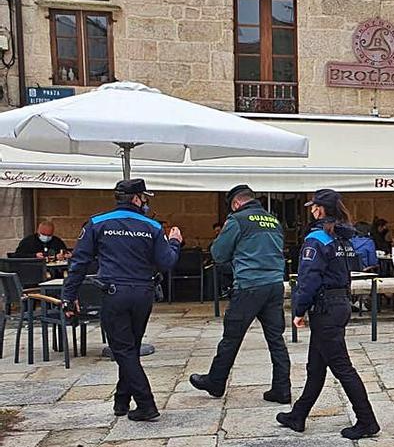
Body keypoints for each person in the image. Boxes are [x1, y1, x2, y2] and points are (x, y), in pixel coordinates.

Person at [61, 179, 182, 421]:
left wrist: (69, 296)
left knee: (124, 350)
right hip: (143, 293)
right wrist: (175, 242)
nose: (146, 202)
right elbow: (167, 263)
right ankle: (122, 400)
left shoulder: (97, 222)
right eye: (145, 198)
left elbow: (79, 263)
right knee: (130, 349)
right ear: (137, 198)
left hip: (115, 293)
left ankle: (146, 405)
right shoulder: (153, 226)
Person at [277, 189, 380, 440]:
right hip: (339, 303)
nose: (311, 210)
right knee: (316, 366)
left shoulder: (317, 239)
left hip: (325, 308)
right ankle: (298, 415)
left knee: (342, 367)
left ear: (320, 209)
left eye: (314, 206)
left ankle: (367, 421)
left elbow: (308, 279)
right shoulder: (343, 239)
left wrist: (299, 310)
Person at [190, 185, 291, 404]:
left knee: (231, 337)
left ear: (236, 203)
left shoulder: (237, 220)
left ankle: (216, 382)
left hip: (249, 286)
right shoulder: (273, 221)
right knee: (276, 339)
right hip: (274, 285)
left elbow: (218, 253)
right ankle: (282, 388)